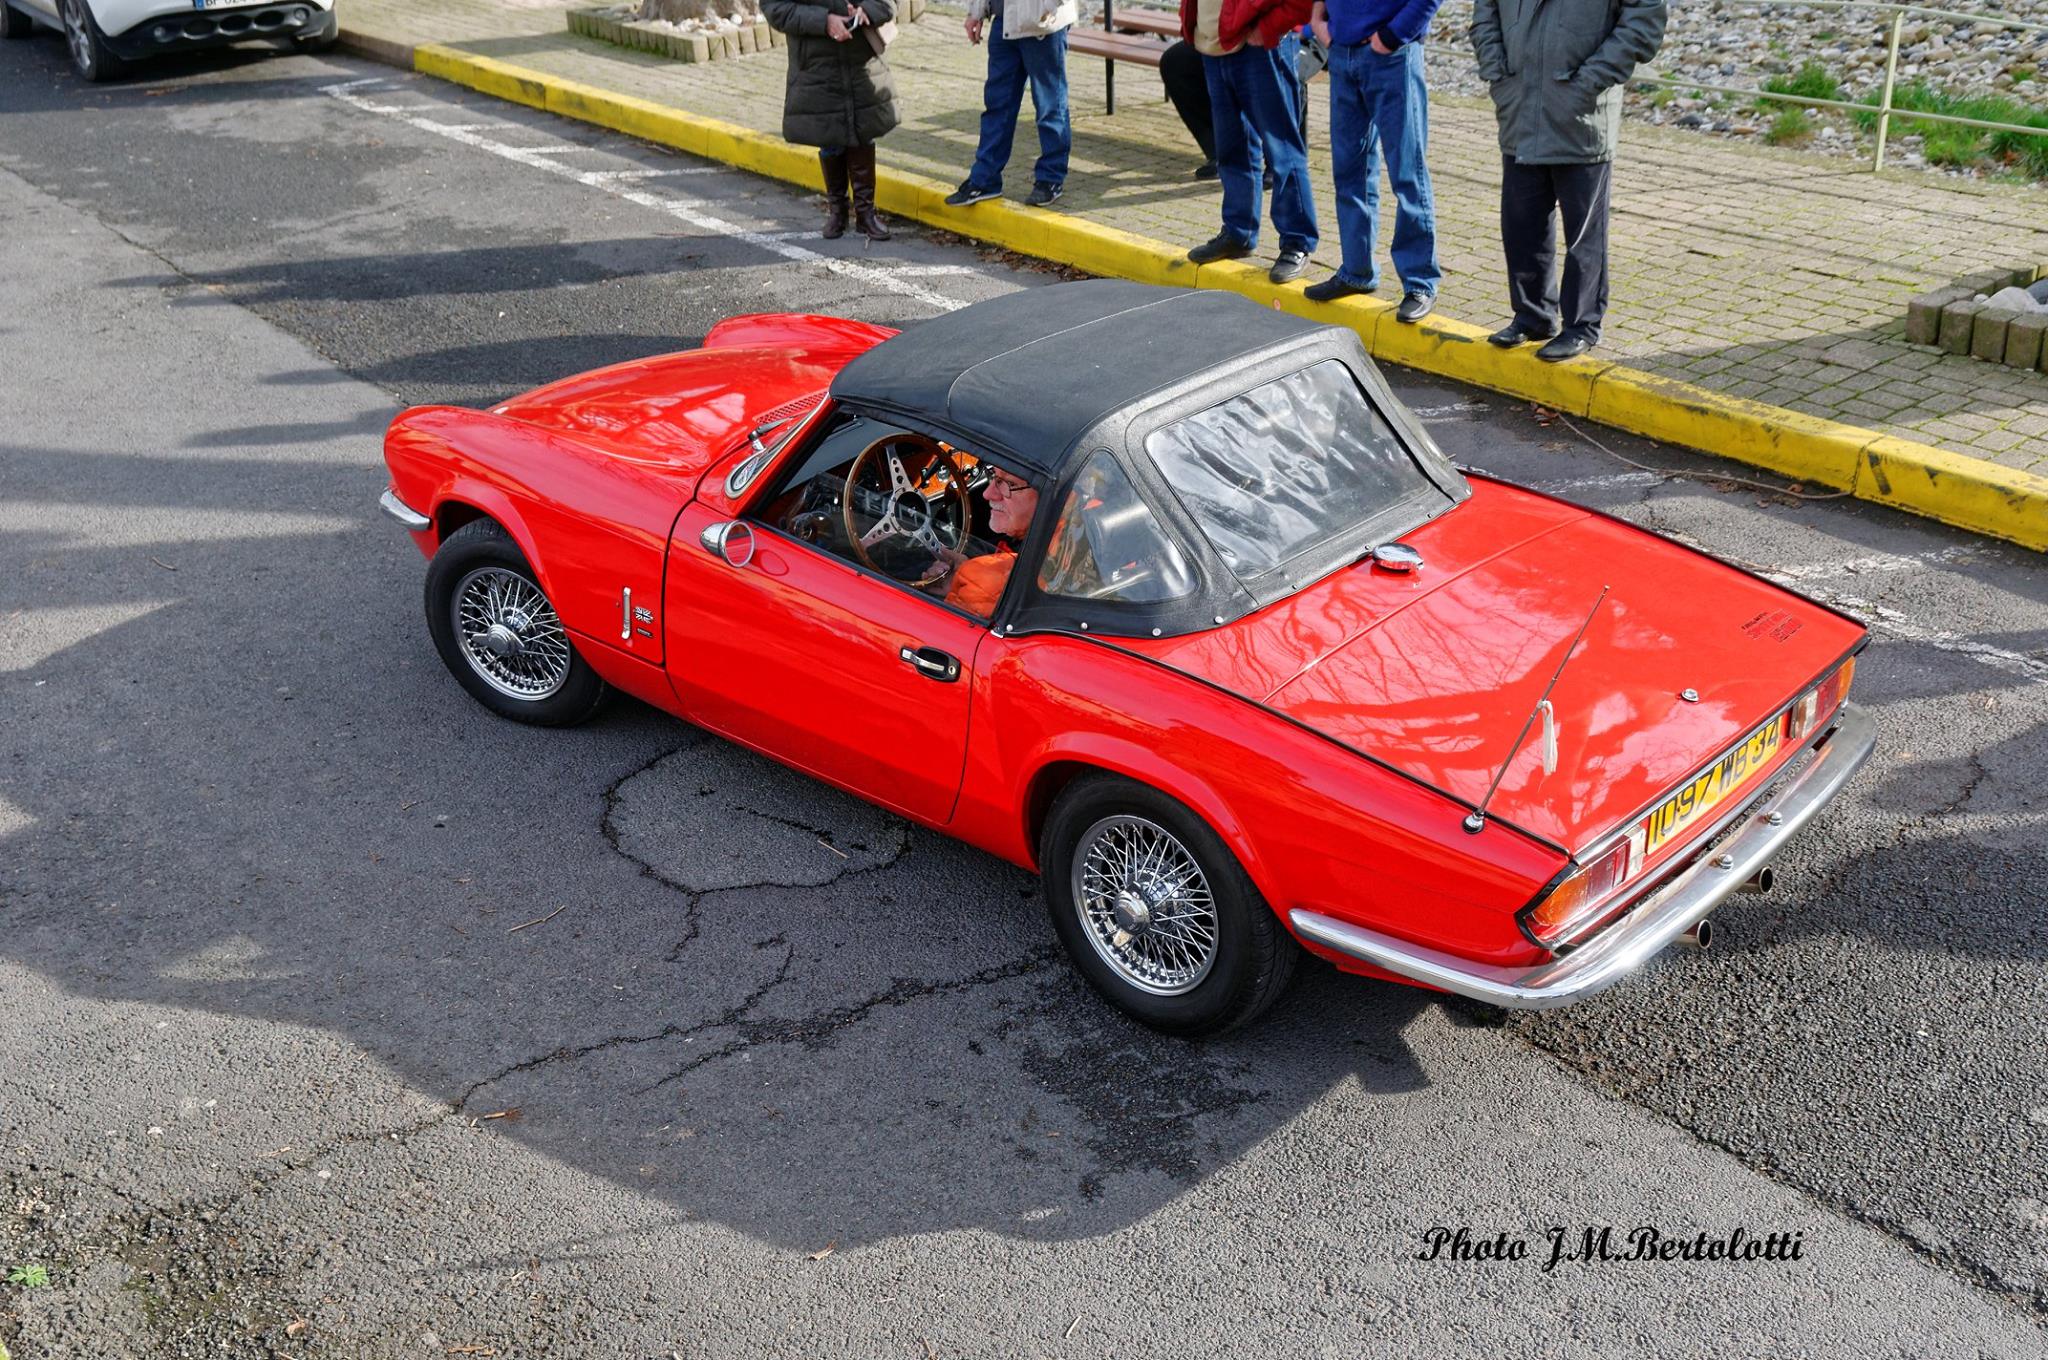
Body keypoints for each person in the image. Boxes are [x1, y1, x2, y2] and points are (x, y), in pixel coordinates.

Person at [1471, 0, 1667, 361]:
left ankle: (1581, 327)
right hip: (1521, 109)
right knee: (1520, 224)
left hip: (1581, 117)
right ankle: (1532, 316)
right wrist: (1496, 73)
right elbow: (1486, 11)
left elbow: (1644, 21)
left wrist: (1590, 81)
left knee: (1584, 235)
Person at [1304, 0, 1442, 322]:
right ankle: (1357, 270)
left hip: (1392, 56)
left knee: (1408, 174)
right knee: (1349, 171)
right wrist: (1319, 22)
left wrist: (1394, 35)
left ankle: (1420, 282)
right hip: (1342, 52)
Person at [1180, 0, 1319, 285]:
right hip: (1215, 47)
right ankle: (1238, 232)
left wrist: (1268, 28)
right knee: (1232, 149)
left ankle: (1297, 242)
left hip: (1263, 48)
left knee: (1282, 152)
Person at [763, 0, 900, 240]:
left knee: (862, 132)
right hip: (816, 62)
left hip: (860, 59)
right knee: (829, 137)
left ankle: (866, 213)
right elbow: (775, 8)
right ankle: (838, 211)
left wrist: (867, 10)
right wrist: (823, 21)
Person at [947, 0, 1078, 208]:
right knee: (998, 106)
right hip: (1004, 22)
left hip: (1042, 25)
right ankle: (985, 180)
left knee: (1049, 107)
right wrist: (976, 12)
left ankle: (1050, 179)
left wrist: (1045, 7)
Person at [1161, 32, 1322, 182]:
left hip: (1305, 35)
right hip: (1239, 33)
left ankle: (1282, 161)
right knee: (1175, 62)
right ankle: (1223, 151)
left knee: (1283, 71)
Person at [945, 467, 1038, 616]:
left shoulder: (985, 588)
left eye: (1010, 484)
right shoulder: (1072, 540)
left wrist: (968, 588)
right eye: (993, 476)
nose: (987, 494)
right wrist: (958, 582)